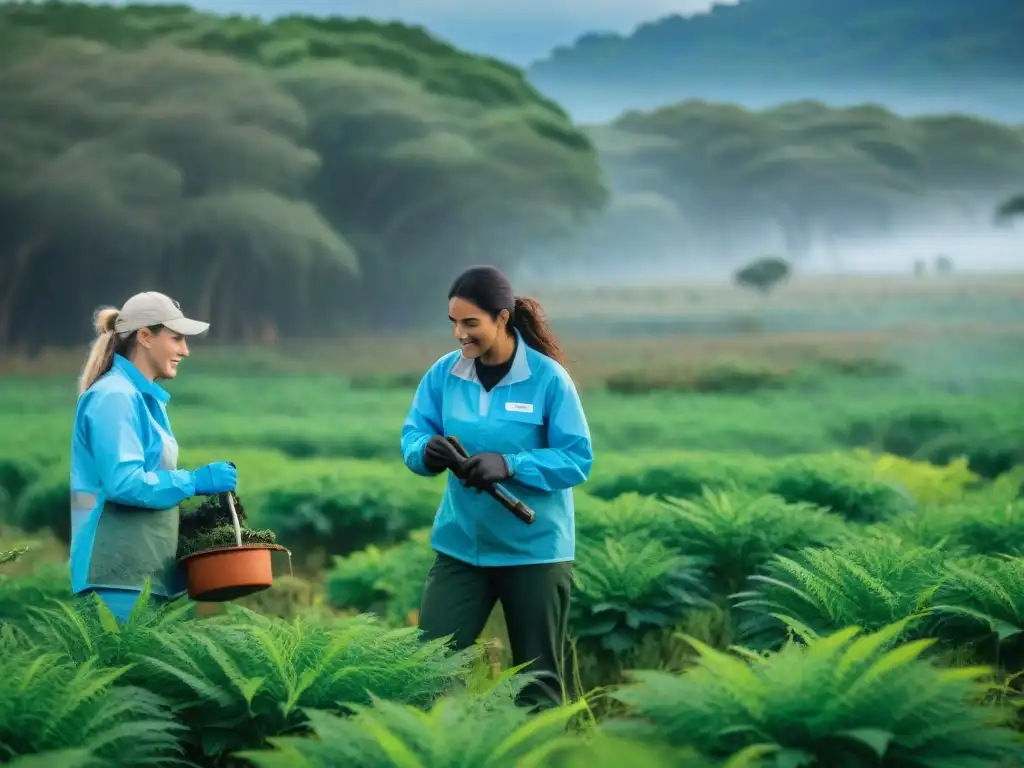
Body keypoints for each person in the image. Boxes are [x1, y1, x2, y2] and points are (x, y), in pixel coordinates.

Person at [401, 265, 594, 710]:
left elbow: (577, 459)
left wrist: (510, 464)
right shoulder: (444, 374)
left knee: (538, 682)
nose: (459, 335)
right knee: (428, 668)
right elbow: (414, 433)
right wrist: (424, 452)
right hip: (461, 547)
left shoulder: (548, 380)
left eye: (470, 323)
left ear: (502, 319)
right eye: (453, 322)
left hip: (535, 552)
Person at [69, 291, 238, 622]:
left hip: (148, 578)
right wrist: (193, 481)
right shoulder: (114, 397)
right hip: (115, 579)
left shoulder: (145, 400)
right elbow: (124, 483)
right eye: (176, 339)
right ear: (145, 336)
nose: (184, 351)